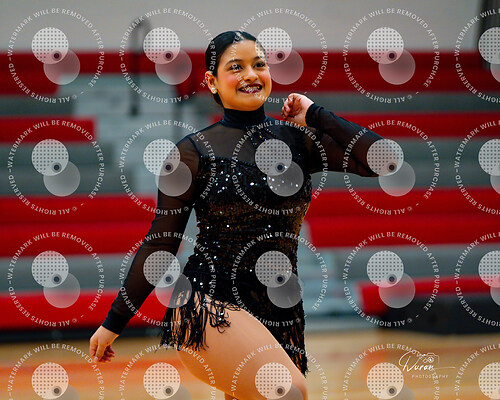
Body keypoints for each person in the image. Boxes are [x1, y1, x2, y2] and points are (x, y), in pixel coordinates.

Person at [90, 30, 383, 400]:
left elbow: (383, 159)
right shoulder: (192, 153)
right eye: (236, 67)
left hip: (278, 306)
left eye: (259, 64)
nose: (251, 74)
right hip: (208, 302)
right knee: (289, 391)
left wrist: (316, 115)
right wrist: (114, 321)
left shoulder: (297, 141)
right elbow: (160, 244)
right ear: (212, 81)